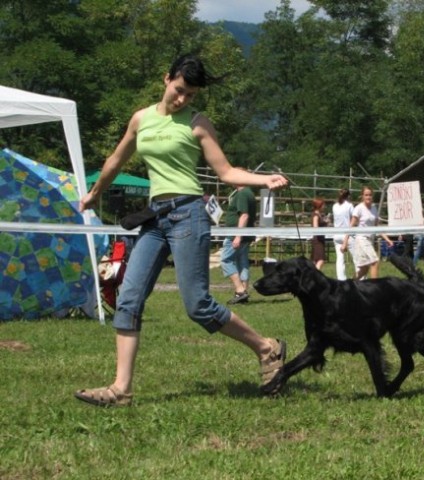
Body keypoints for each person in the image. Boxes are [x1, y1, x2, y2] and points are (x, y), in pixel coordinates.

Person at [73, 54, 288, 407]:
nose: (183, 99)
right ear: (166, 79)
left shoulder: (198, 124)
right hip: (155, 219)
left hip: (189, 215)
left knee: (197, 305)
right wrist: (94, 194)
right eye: (180, 90)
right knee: (128, 298)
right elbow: (115, 160)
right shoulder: (141, 119)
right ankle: (121, 389)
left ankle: (267, 348)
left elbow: (227, 172)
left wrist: (265, 180)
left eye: (190, 95)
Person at [343, 186, 393, 280]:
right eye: (366, 195)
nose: (368, 197)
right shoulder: (359, 208)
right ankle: (375, 288)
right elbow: (351, 226)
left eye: (370, 195)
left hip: (370, 240)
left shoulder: (374, 208)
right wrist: (345, 242)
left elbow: (377, 227)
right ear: (362, 196)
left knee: (364, 269)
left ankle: (351, 284)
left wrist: (387, 239)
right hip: (361, 239)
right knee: (374, 261)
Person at [221, 176, 256, 305]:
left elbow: (244, 215)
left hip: (236, 235)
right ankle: (243, 292)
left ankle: (240, 290)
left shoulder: (242, 194)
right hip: (245, 234)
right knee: (242, 262)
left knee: (226, 260)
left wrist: (238, 235)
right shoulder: (249, 193)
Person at [332, 188, 354, 280]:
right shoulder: (349, 206)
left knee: (340, 260)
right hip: (347, 235)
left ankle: (341, 279)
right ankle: (361, 277)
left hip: (336, 234)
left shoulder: (334, 206)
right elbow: (354, 220)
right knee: (356, 258)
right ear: (348, 196)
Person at [310, 197, 329, 270]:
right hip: (317, 240)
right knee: (321, 260)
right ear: (319, 205)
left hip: (320, 239)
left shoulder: (319, 215)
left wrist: (325, 222)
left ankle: (312, 276)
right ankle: (315, 275)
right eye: (323, 204)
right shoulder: (316, 215)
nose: (324, 206)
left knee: (315, 261)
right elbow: (315, 228)